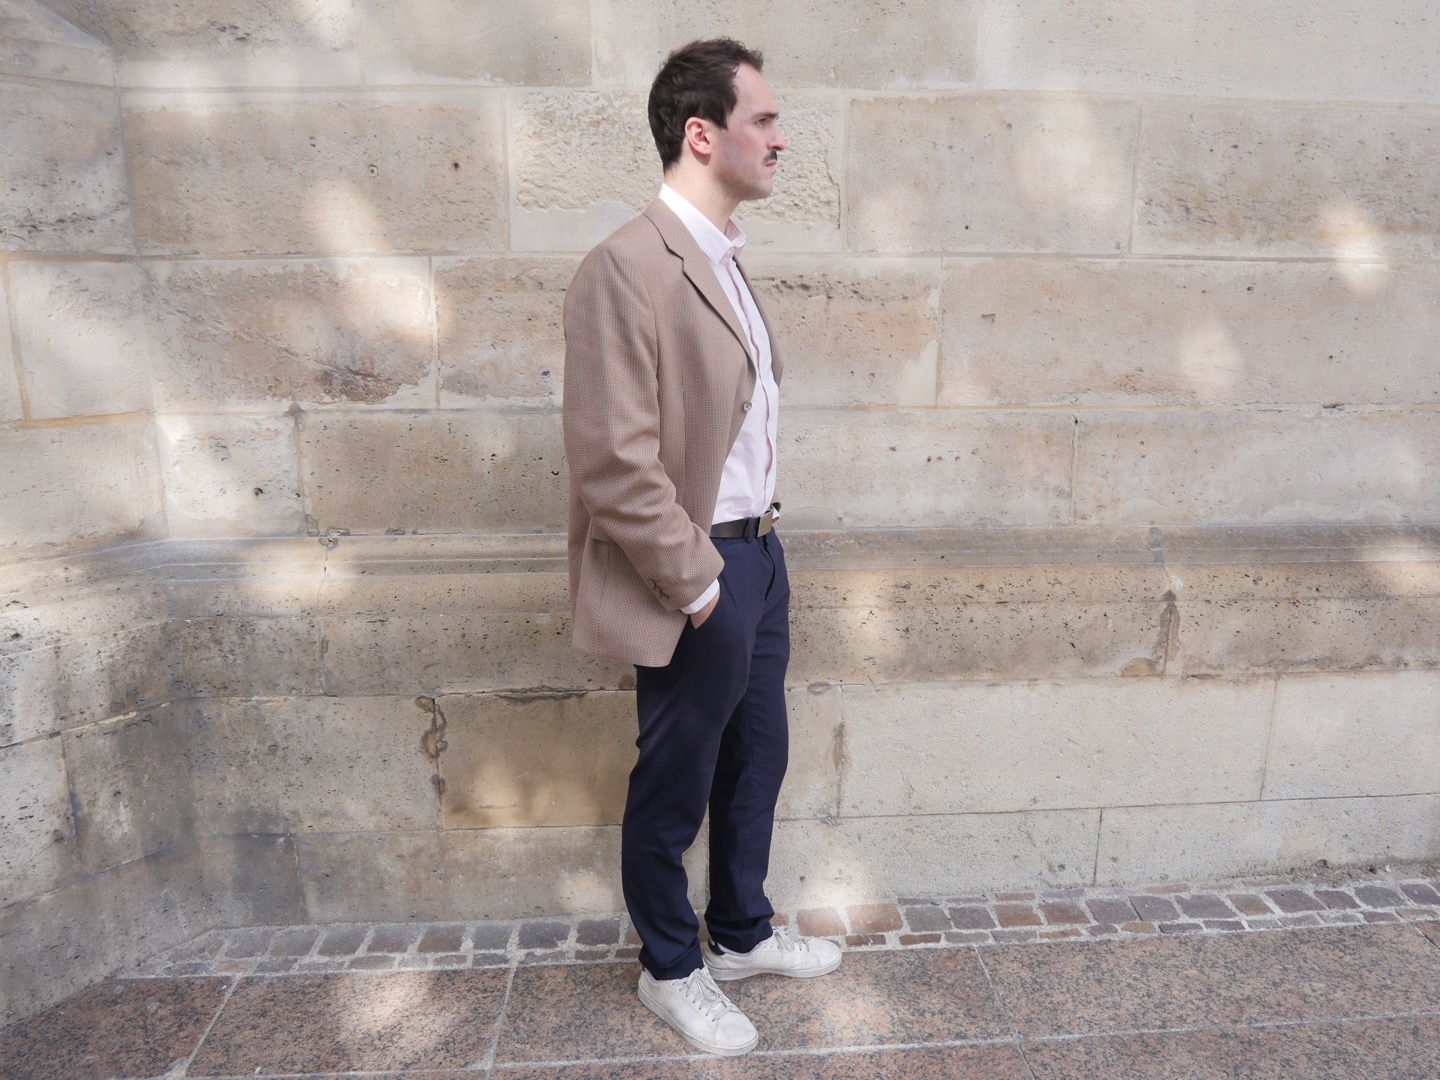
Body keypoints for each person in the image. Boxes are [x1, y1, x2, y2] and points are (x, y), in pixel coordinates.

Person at [561, 37, 842, 1057]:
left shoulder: (724, 260)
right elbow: (611, 461)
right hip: (699, 570)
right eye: (763, 119)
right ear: (702, 134)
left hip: (759, 556)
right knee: (675, 781)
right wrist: (700, 585)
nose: (779, 137)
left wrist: (753, 569)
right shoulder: (626, 267)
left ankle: (739, 934)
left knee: (757, 758)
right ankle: (671, 967)